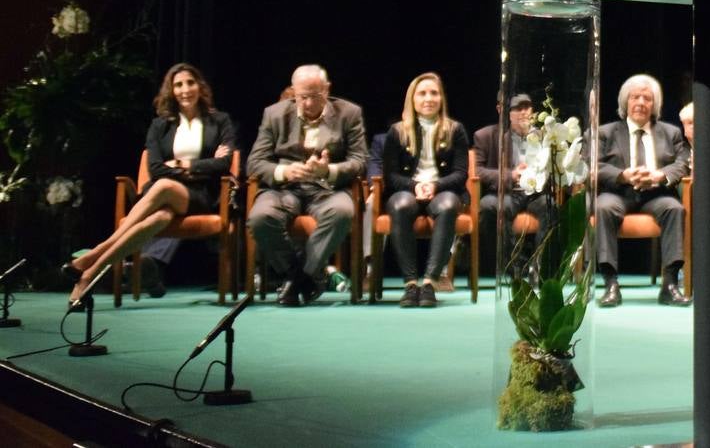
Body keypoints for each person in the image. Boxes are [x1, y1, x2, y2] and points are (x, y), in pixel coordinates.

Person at [66, 63, 236, 303]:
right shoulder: (159, 125)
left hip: (200, 196)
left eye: (190, 83)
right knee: (160, 217)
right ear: (171, 90)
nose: (185, 89)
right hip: (162, 195)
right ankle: (88, 276)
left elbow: (225, 163)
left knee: (164, 186)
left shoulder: (220, 121)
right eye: (178, 85)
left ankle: (94, 254)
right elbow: (155, 168)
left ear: (200, 86)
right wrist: (199, 166)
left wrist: (185, 166)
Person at [246, 64, 367, 306]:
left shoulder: (349, 113)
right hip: (284, 188)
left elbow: (359, 161)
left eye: (315, 96)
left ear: (327, 89)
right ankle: (305, 275)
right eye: (302, 97)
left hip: (327, 188)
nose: (309, 103)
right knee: (260, 218)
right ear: (294, 92)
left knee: (342, 212)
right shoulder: (275, 114)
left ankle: (300, 277)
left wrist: (329, 170)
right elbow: (255, 162)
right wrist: (284, 171)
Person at [595, 73, 692, 307]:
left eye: (647, 98)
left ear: (654, 105)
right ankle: (610, 284)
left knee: (674, 208)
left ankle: (669, 284)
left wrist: (661, 175)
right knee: (603, 208)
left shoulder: (671, 133)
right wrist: (623, 175)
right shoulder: (606, 133)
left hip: (655, 194)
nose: (640, 102)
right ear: (625, 102)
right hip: (617, 192)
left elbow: (682, 162)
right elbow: (592, 164)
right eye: (635, 97)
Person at [380, 72, 469, 308]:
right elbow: (390, 175)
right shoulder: (397, 131)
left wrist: (435, 186)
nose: (428, 98)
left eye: (434, 93)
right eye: (422, 93)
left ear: (441, 99)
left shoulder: (455, 130)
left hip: (442, 191)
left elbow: (461, 174)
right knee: (400, 205)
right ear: (412, 99)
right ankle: (410, 284)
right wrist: (414, 185)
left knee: (449, 205)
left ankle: (429, 283)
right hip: (407, 191)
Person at [475, 93, 554, 276]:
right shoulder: (486, 136)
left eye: (527, 107)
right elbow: (478, 171)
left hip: (536, 193)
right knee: (489, 206)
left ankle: (539, 266)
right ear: (503, 111)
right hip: (507, 192)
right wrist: (511, 175)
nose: (524, 112)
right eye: (518, 108)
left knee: (551, 207)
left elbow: (555, 167)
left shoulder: (544, 136)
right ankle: (512, 265)